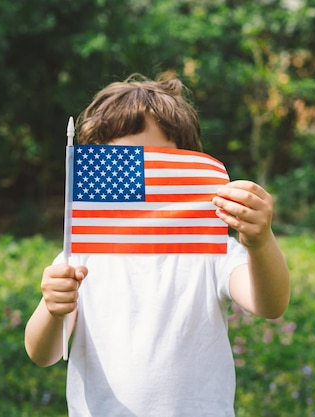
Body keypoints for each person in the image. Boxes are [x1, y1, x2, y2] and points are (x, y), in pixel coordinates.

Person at [24, 73, 290, 416]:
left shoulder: (210, 250)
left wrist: (259, 241)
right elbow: (41, 353)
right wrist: (52, 306)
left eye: (160, 164)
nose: (144, 181)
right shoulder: (82, 251)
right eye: (122, 162)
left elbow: (270, 304)